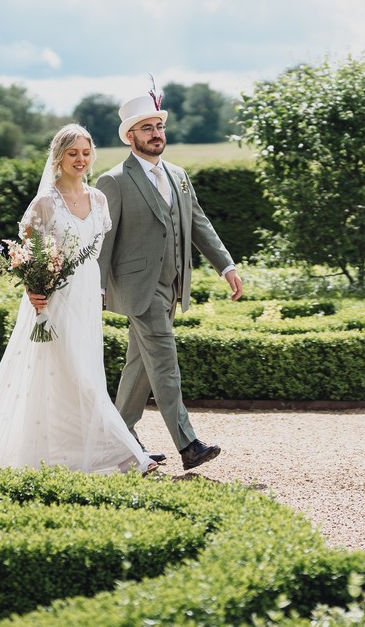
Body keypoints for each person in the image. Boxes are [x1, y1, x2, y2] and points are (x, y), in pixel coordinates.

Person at [0, 124, 158, 474]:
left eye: (85, 153)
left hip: (86, 295)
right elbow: (28, 254)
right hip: (53, 300)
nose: (80, 160)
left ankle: (79, 453)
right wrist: (34, 289)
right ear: (59, 157)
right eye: (72, 153)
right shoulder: (45, 204)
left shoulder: (99, 199)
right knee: (79, 375)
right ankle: (129, 456)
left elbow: (99, 252)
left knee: (81, 375)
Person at [97, 90, 244, 471]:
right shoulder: (113, 180)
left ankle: (120, 435)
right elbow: (104, 239)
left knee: (140, 366)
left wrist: (226, 266)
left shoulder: (178, 176)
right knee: (164, 362)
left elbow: (199, 224)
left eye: (159, 126)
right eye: (147, 128)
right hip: (137, 289)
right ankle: (188, 444)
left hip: (173, 286)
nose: (156, 133)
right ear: (130, 136)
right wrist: (96, 288)